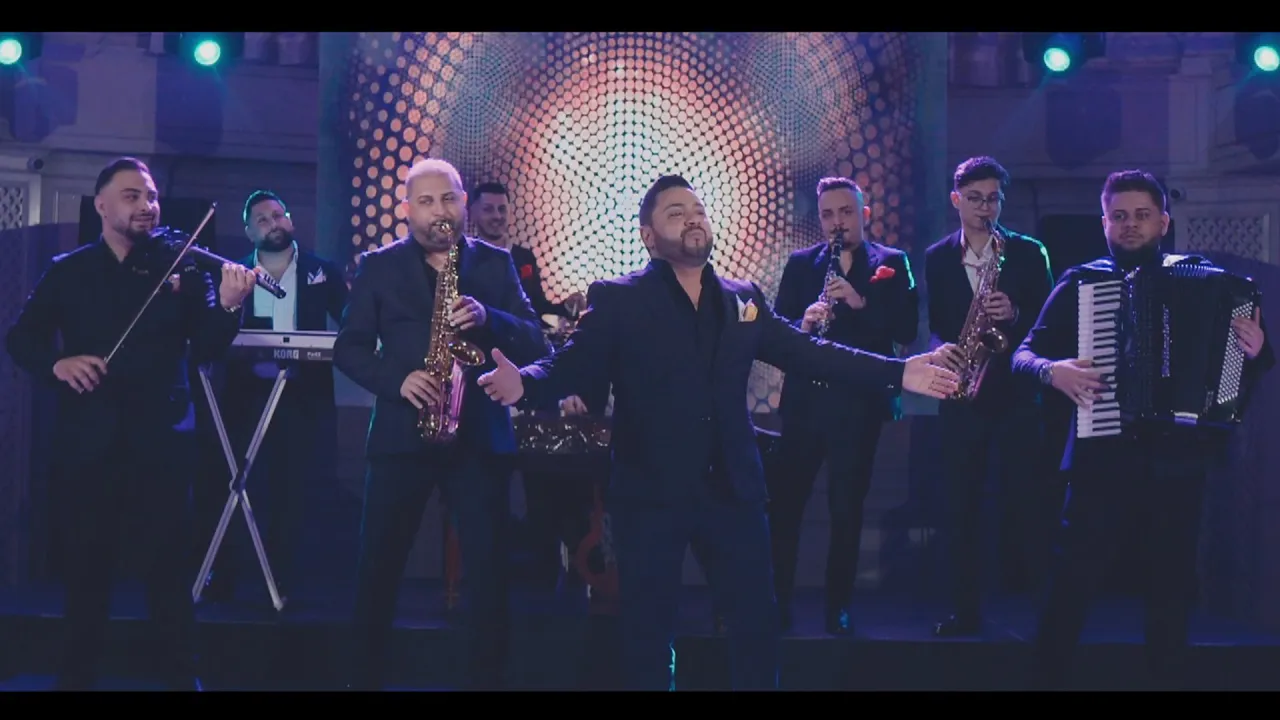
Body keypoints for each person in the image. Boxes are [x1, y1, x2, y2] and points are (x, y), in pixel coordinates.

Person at [476, 174, 961, 690]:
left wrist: (899, 372)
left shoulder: (742, 298)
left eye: (697, 210)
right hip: (651, 492)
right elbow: (571, 363)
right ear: (648, 236)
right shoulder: (619, 298)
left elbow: (809, 353)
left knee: (756, 629)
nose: (692, 218)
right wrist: (524, 383)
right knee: (647, 636)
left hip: (733, 491)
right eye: (675, 212)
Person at [1009, 169, 1273, 689]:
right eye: (1120, 216)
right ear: (1104, 222)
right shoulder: (1082, 282)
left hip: (1177, 457)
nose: (1131, 224)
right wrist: (1052, 371)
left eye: (1142, 215)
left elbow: (1248, 365)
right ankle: (1046, 677)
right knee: (1074, 579)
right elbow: (1023, 355)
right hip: (1101, 454)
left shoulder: (1207, 279)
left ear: (1163, 222)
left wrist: (1258, 349)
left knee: (1171, 585)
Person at [4, 156, 257, 690]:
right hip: (88, 444)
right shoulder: (68, 269)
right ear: (101, 205)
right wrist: (58, 363)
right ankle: (76, 680)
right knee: (86, 574)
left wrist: (229, 306)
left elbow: (207, 347)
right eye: (132, 195)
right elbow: (22, 339)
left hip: (162, 443)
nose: (147, 205)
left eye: (151, 196)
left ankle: (180, 677)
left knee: (168, 573)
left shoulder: (182, 269)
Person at [334, 158, 550, 690]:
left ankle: (487, 680)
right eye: (427, 202)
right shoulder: (379, 266)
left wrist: (490, 317)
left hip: (477, 438)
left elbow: (536, 340)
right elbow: (349, 348)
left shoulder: (496, 264)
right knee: (378, 567)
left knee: (490, 572)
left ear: (464, 204)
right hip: (401, 437)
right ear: (407, 210)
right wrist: (398, 380)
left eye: (449, 199)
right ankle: (362, 678)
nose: (440, 212)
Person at [767, 177, 919, 635]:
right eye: (828, 215)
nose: (837, 223)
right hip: (805, 406)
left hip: (857, 409)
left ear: (864, 214)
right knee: (785, 508)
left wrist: (859, 301)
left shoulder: (892, 263)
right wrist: (803, 323)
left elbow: (906, 330)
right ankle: (777, 605)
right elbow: (776, 331)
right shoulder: (802, 265)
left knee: (846, 510)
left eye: (846, 213)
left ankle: (838, 608)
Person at [195, 190, 349, 605]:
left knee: (296, 489)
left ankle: (287, 580)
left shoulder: (322, 271)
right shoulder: (232, 273)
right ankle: (225, 576)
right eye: (262, 219)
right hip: (246, 399)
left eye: (278, 215)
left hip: (305, 399)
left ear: (291, 221)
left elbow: (352, 325)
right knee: (236, 483)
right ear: (249, 232)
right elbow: (212, 335)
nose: (273, 223)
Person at [923, 156, 1055, 637]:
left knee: (1030, 504)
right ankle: (965, 611)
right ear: (956, 200)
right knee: (961, 507)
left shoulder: (1028, 252)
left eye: (993, 199)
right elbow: (939, 322)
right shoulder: (937, 257)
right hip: (963, 394)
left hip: (1016, 395)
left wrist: (1015, 312)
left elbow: (1051, 323)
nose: (985, 209)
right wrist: (944, 349)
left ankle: (1048, 615)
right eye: (975, 199)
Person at [468, 181, 591, 589]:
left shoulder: (522, 258)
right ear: (472, 213)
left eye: (502, 209)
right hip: (478, 380)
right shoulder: (462, 260)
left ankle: (548, 566)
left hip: (525, 379)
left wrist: (565, 307)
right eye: (489, 209)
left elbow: (533, 315)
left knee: (548, 479)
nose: (497, 217)